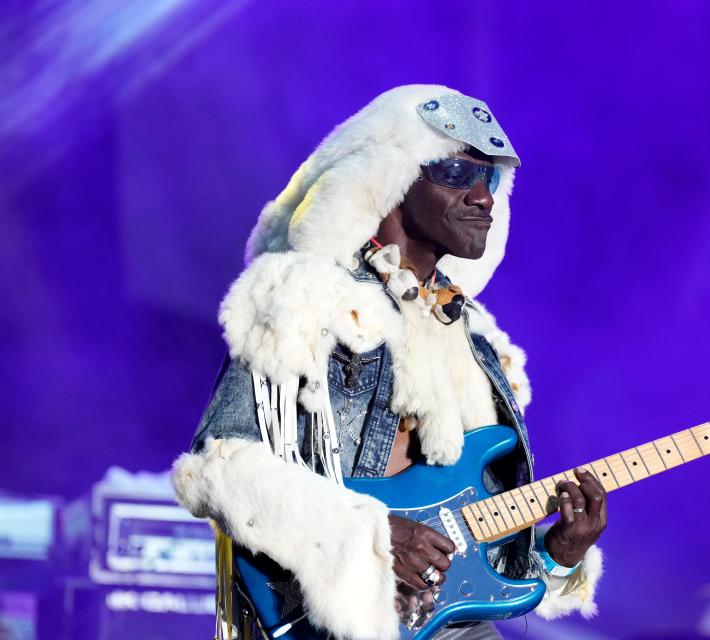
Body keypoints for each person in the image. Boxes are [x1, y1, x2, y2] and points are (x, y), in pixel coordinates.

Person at [172, 85, 607, 640]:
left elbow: (478, 537)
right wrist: (371, 535)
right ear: (390, 178)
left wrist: (559, 554)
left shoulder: (474, 341)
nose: (483, 197)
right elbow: (221, 465)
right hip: (333, 613)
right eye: (455, 172)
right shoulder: (306, 299)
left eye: (490, 178)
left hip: (447, 620)